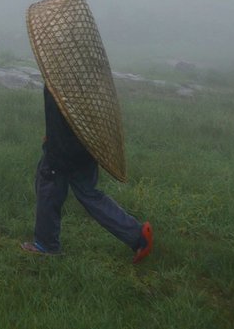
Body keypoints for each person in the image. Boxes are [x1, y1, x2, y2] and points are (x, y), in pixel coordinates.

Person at [21, 86, 152, 262]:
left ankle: (46, 244)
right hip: (86, 147)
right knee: (89, 194)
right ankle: (137, 235)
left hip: (62, 150)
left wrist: (53, 138)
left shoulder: (56, 77)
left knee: (48, 189)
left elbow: (58, 113)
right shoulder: (84, 81)